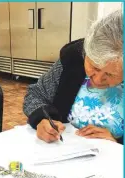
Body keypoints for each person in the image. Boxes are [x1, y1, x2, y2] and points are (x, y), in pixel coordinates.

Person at [23, 10, 123, 144]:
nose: (98, 80)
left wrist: (116, 144)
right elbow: (35, 94)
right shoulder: (73, 59)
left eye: (110, 74)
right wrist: (42, 119)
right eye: (94, 67)